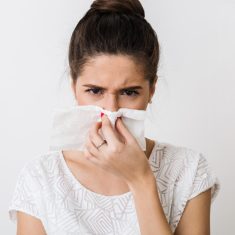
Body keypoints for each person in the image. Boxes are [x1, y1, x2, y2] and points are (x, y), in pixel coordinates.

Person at [8, 0, 220, 234]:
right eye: (95, 91)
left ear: (151, 91)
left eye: (129, 92)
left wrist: (140, 180)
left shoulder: (187, 171)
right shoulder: (40, 178)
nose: (111, 111)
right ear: (74, 88)